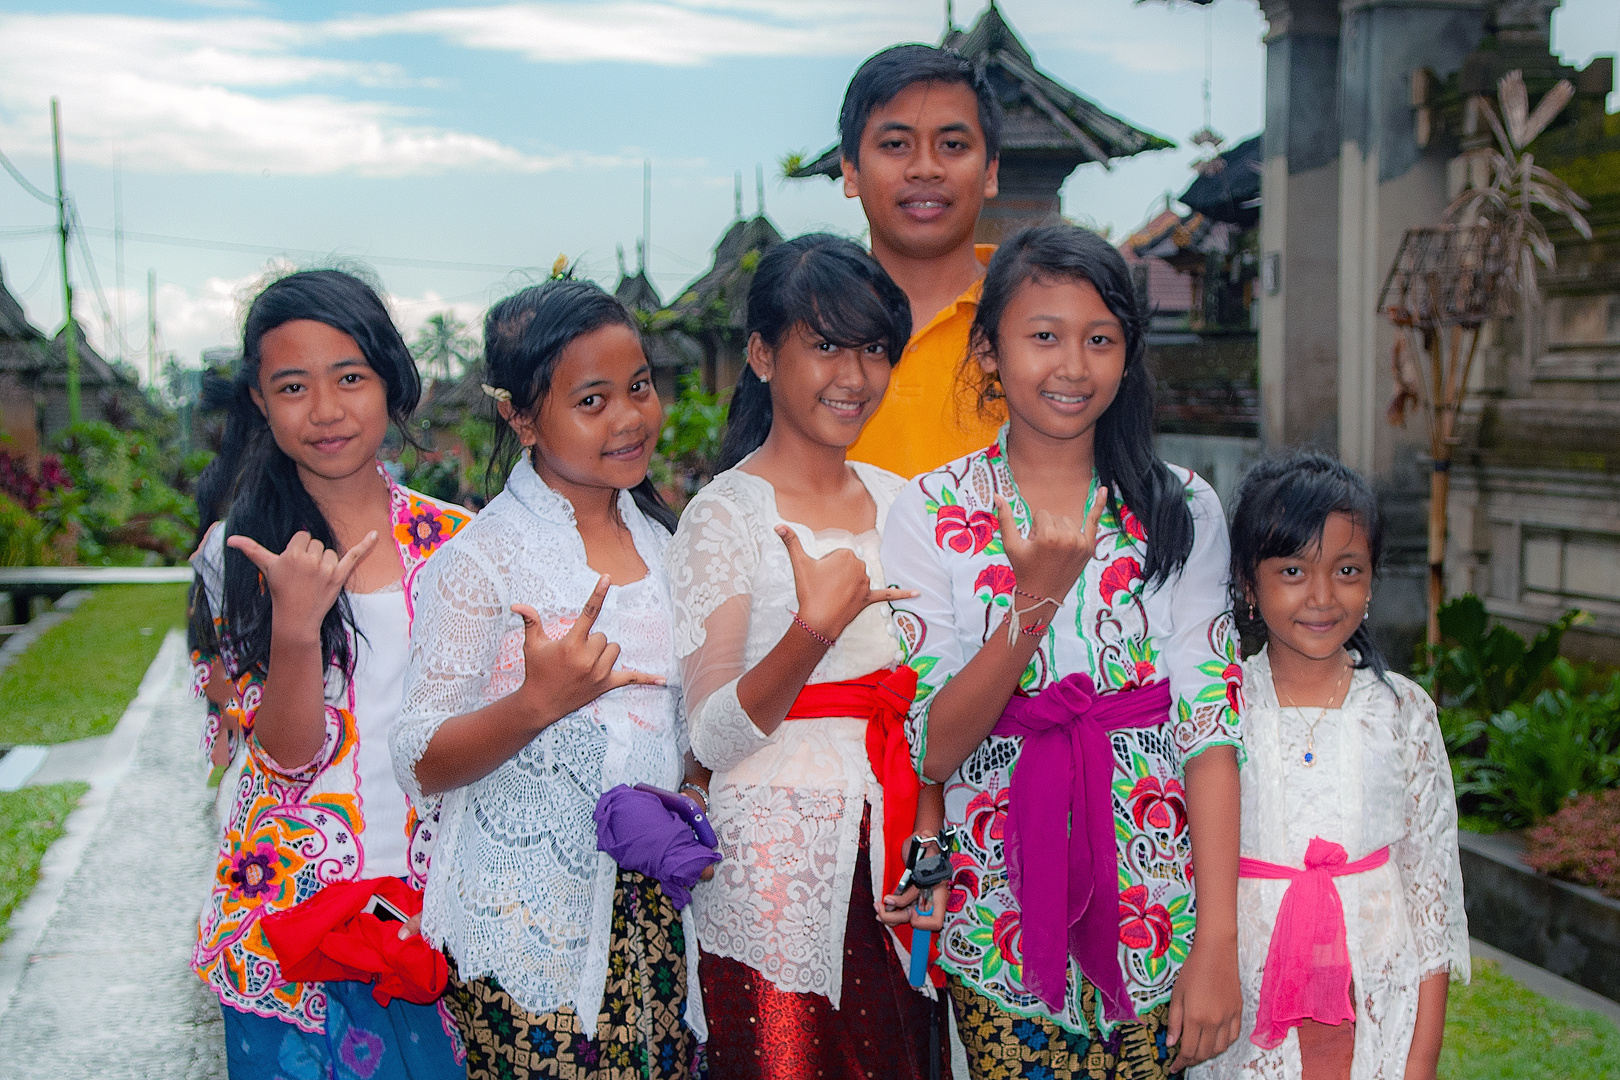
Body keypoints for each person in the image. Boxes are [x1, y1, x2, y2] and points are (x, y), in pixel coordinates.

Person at [882, 223, 1245, 1078]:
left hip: (1158, 905)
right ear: (990, 352)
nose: (1073, 366)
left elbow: (1210, 728)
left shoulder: (1182, 508)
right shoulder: (930, 508)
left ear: (1129, 352)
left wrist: (1218, 942)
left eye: (1099, 339)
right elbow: (933, 745)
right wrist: (1034, 602)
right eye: (1043, 336)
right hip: (997, 903)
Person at [391, 279, 707, 1080]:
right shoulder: (481, 563)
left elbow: (687, 728)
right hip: (527, 931)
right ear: (523, 418)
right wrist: (535, 706)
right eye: (592, 400)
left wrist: (691, 794)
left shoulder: (670, 549)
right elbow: (418, 756)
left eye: (639, 386)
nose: (631, 417)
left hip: (653, 924)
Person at [666, 233, 953, 1079]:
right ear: (761, 353)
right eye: (824, 345)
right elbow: (710, 739)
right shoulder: (726, 516)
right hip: (772, 882)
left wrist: (930, 860)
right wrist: (811, 632)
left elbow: (932, 723)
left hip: (896, 866)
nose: (854, 375)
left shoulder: (908, 508)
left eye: (873, 349)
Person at [189, 268, 471, 1079]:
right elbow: (282, 755)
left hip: (427, 914)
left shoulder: (458, 546)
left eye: (349, 377)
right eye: (291, 385)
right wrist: (297, 626)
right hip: (289, 925)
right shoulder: (234, 555)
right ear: (258, 401)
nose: (325, 409)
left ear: (390, 379)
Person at [1193, 452, 1468, 1080]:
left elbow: (1431, 898)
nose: (1321, 597)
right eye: (1292, 570)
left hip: (1376, 1004)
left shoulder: (1403, 711)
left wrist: (1418, 1058)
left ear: (1371, 579)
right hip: (1248, 1009)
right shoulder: (1221, 705)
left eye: (1347, 570)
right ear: (1248, 582)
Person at [835, 43, 1006, 479]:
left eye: (952, 144)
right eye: (895, 144)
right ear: (851, 171)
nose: (925, 168)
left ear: (990, 172)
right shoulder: (810, 324)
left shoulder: (1036, 324)